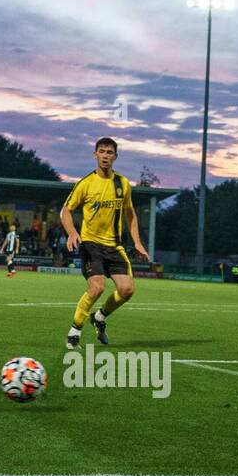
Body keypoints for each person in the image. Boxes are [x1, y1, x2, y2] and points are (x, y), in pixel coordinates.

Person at [59, 137, 151, 350]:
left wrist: (137, 241)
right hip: (91, 244)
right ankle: (74, 332)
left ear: (115, 157)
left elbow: (131, 214)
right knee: (97, 287)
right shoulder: (86, 183)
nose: (105, 156)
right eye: (102, 151)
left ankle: (99, 317)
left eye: (110, 152)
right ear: (95, 155)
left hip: (115, 246)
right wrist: (72, 233)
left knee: (127, 290)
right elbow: (66, 211)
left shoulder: (123, 184)